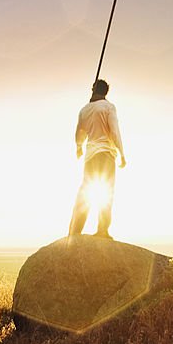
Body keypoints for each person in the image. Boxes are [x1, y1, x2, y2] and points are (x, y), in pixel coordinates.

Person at [68, 79, 126, 238]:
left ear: (93, 90)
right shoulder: (108, 107)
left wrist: (78, 147)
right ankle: (102, 230)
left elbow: (79, 132)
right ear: (106, 92)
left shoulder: (84, 110)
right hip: (106, 153)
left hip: (90, 156)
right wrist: (122, 153)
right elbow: (114, 131)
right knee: (107, 190)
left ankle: (75, 229)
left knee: (86, 189)